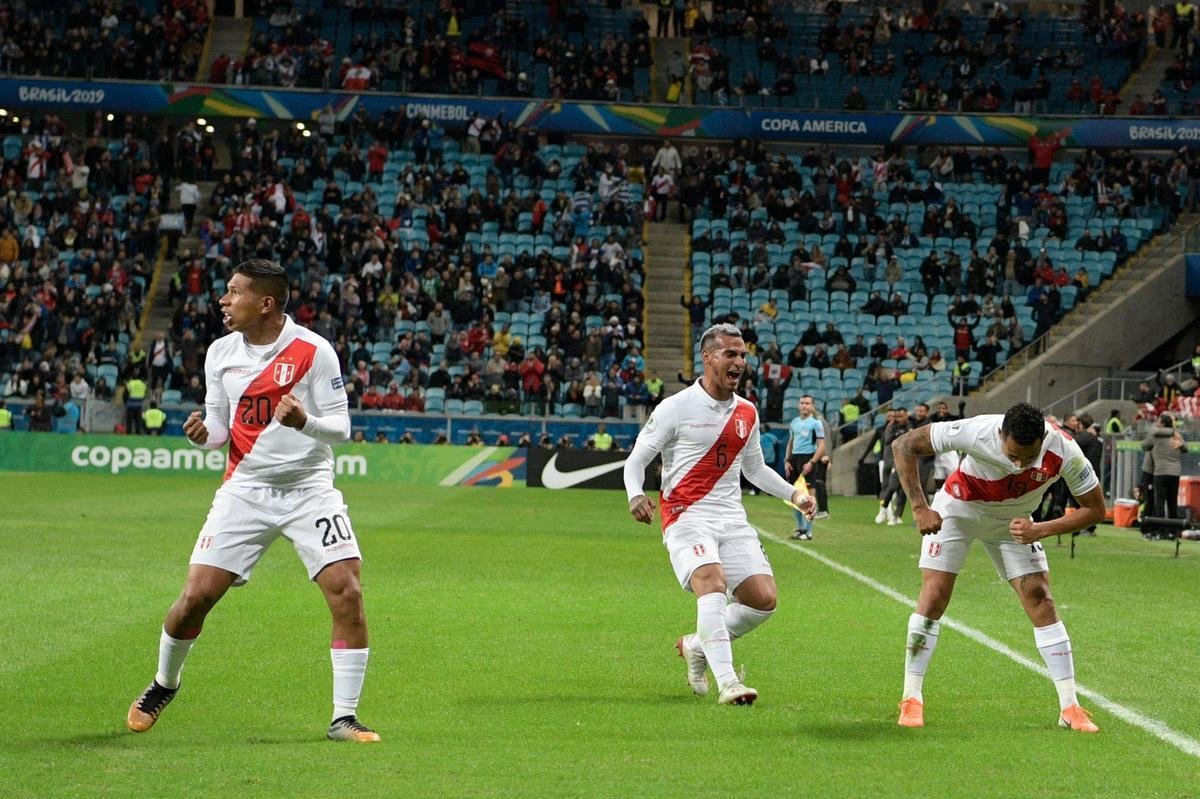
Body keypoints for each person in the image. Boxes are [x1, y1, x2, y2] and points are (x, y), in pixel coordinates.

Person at [125, 260, 380, 743]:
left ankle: (343, 717)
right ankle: (163, 684)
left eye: (234, 291)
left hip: (309, 489)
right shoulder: (220, 353)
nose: (223, 299)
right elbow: (221, 428)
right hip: (245, 489)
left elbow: (342, 428)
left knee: (347, 590)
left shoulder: (314, 351)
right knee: (194, 599)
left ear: (265, 303)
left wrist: (305, 422)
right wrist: (205, 435)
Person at [623, 323, 816, 706]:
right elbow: (636, 460)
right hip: (685, 514)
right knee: (711, 582)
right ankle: (728, 682)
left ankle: (696, 645)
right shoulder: (675, 408)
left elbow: (756, 469)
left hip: (731, 518)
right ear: (707, 357)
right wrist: (634, 495)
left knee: (763, 600)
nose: (740, 362)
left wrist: (794, 494)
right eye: (730, 354)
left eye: (743, 354)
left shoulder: (747, 412)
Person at [890, 402, 1105, 732]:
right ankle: (911, 698)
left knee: (1041, 599)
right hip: (958, 511)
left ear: (1042, 439)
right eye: (1012, 454)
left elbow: (1094, 509)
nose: (1018, 464)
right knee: (934, 597)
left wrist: (1042, 528)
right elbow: (903, 444)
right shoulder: (978, 429)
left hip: (1013, 523)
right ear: (1000, 434)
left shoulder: (1064, 450)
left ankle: (1070, 707)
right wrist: (919, 507)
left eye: (1027, 457)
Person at [784, 395, 829, 530]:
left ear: (812, 406)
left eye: (807, 403)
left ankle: (808, 531)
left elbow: (822, 445)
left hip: (808, 458)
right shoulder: (794, 422)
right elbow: (791, 442)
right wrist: (787, 460)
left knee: (809, 496)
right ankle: (800, 528)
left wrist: (812, 462)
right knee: (795, 495)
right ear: (798, 405)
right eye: (802, 403)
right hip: (795, 459)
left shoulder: (816, 423)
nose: (804, 405)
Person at [1141, 414, 1186, 520]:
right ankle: (1173, 530)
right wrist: (1180, 442)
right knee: (1172, 503)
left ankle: (1158, 529)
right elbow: (1185, 447)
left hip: (1160, 472)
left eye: (1158, 421)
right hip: (1175, 474)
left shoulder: (1156, 436)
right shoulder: (1176, 436)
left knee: (1159, 503)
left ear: (1162, 423)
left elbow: (1144, 446)